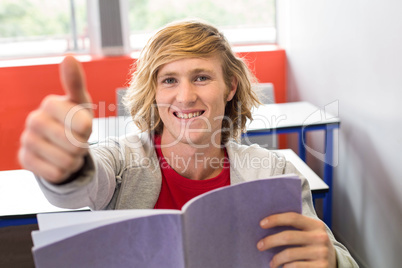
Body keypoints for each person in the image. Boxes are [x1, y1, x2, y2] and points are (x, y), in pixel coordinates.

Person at [18, 20, 358, 267]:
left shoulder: (274, 172)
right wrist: (68, 168)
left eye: (201, 77)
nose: (185, 96)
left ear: (230, 88)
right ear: (154, 93)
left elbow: (334, 255)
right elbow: (81, 185)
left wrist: (331, 260)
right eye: (169, 80)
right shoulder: (121, 160)